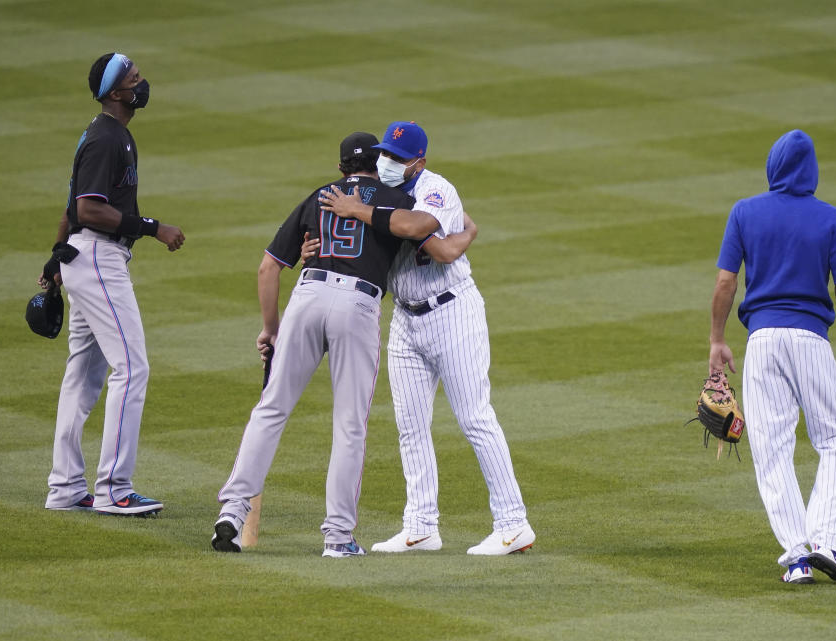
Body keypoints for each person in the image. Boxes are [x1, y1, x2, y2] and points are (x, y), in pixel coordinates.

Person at [211, 133, 475, 557]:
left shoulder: (318, 197)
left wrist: (271, 330)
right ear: (378, 161)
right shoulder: (393, 200)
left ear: (341, 169)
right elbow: (441, 248)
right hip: (357, 305)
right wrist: (470, 231)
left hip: (307, 296)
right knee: (350, 424)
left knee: (271, 409)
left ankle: (231, 512)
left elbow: (267, 268)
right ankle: (337, 537)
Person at [318, 121, 535, 555]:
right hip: (405, 318)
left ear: (420, 161)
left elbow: (427, 235)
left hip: (452, 311)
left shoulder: (437, 188)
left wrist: (364, 213)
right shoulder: (379, 191)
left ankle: (514, 524)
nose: (388, 163)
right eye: (384, 155)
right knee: (409, 426)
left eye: (398, 158)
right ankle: (420, 525)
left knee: (475, 417)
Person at [709, 129, 836, 584]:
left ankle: (798, 555)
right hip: (811, 342)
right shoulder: (831, 218)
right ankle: (827, 543)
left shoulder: (745, 211)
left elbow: (726, 283)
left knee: (772, 450)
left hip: (761, 342)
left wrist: (717, 340)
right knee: (833, 441)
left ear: (772, 166)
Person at [40, 53, 185, 516]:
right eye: (133, 79)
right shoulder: (106, 139)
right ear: (114, 93)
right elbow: (87, 208)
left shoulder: (104, 135)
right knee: (132, 368)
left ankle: (64, 486)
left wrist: (55, 258)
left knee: (83, 376)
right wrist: (153, 226)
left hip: (83, 256)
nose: (142, 84)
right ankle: (114, 489)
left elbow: (68, 210)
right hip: (100, 257)